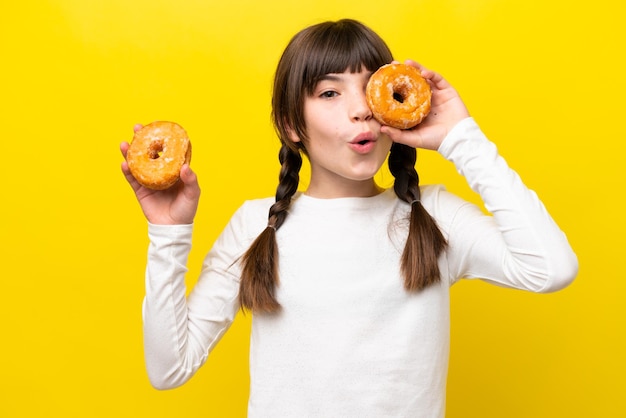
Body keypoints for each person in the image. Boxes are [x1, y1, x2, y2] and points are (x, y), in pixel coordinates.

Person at [120, 18, 578, 418]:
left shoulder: (433, 215)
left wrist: (461, 138)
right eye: (329, 92)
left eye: (369, 88)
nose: (360, 108)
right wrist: (168, 233)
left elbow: (551, 268)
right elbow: (169, 368)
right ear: (290, 124)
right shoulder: (256, 225)